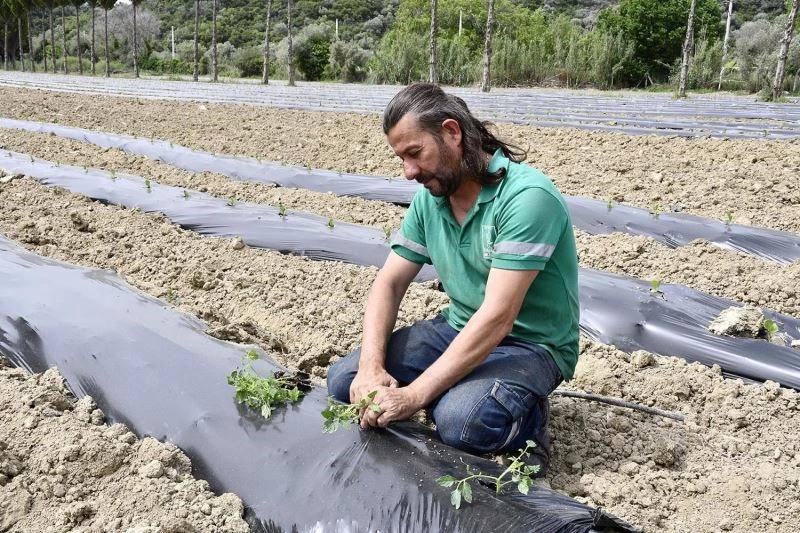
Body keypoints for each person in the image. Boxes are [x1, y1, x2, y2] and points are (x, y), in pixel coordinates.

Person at [326, 83, 579, 473]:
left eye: (415, 153)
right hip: (461, 326)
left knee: (463, 423)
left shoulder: (526, 197)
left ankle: (528, 420)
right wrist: (371, 368)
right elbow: (389, 283)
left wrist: (413, 397)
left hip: (531, 343)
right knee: (345, 381)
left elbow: (498, 315)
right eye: (402, 159)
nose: (409, 172)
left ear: (452, 133)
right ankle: (462, 388)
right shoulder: (432, 199)